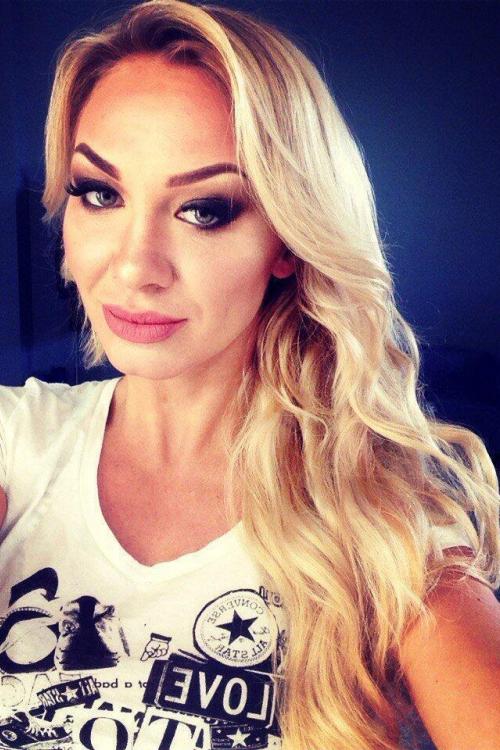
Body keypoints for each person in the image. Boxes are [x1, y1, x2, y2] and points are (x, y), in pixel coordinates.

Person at [0, 1, 498, 748]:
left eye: (205, 210)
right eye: (100, 193)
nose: (134, 267)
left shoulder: (384, 519)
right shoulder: (15, 441)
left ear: (288, 241)